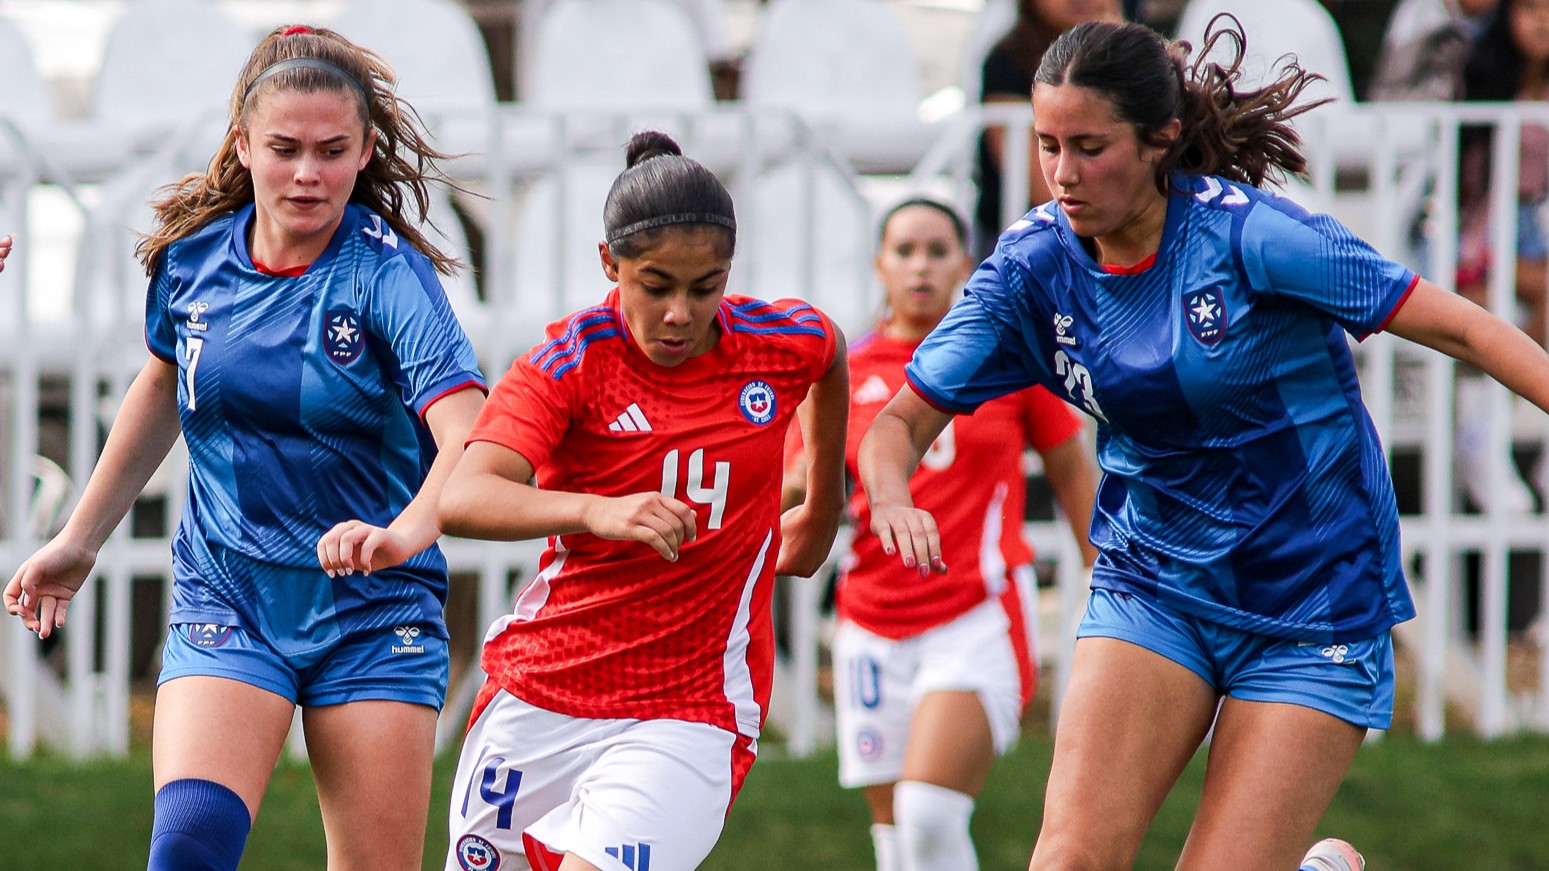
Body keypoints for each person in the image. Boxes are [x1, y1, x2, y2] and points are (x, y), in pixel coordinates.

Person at [859, 16, 1549, 871]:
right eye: (1046, 145)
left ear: (1161, 140)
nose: (1062, 175)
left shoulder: (1254, 236)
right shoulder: (1030, 268)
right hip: (1154, 585)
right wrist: (888, 494)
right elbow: (896, 422)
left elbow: (1468, 331)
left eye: (1088, 146)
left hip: (1311, 603)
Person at [3, 25, 486, 871]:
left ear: (367, 149)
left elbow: (467, 433)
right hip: (229, 594)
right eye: (285, 149)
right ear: (243, 145)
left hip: (372, 611)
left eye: (333, 151)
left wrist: (405, 532)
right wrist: (79, 540)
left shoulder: (388, 276)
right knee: (189, 845)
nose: (308, 173)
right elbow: (161, 387)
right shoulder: (191, 265)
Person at [438, 130, 849, 871]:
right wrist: (594, 508)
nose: (680, 313)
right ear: (610, 263)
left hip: (689, 708)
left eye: (706, 286)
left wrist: (821, 504)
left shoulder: (776, 343)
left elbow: (827, 351)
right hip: (540, 688)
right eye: (655, 285)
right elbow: (464, 499)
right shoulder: (567, 362)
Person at [783, 197, 1098, 871]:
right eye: (904, 251)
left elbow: (1074, 472)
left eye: (936, 250)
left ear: (965, 262)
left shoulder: (1008, 359)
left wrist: (1106, 577)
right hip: (869, 621)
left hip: (974, 612)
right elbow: (792, 490)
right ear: (879, 264)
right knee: (895, 838)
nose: (919, 267)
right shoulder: (846, 373)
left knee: (929, 814)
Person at [975, 0, 1122, 257]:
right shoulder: (1008, 62)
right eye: (1051, 146)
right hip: (1035, 240)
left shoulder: (1137, 61)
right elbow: (1044, 187)